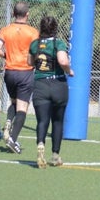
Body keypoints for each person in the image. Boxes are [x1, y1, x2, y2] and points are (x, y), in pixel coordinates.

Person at [0, 1, 39, 154]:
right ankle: (13, 138)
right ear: (27, 14)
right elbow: (36, 52)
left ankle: (8, 122)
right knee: (23, 108)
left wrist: (7, 55)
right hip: (25, 72)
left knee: (13, 102)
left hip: (10, 72)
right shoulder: (33, 32)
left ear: (13, 14)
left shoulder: (6, 30)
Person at [28, 16, 74, 168]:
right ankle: (55, 155)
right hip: (58, 84)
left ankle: (41, 144)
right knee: (57, 121)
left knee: (42, 121)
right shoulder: (58, 43)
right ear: (55, 28)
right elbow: (63, 61)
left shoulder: (35, 44)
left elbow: (29, 62)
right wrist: (69, 70)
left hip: (40, 84)